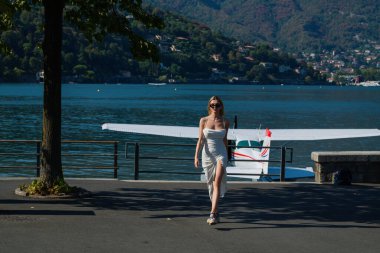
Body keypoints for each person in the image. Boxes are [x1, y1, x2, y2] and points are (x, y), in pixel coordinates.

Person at [194, 95, 229, 225]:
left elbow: (225, 140)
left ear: (221, 106)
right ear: (209, 106)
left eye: (217, 105)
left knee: (216, 183)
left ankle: (212, 214)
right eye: (212, 105)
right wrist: (196, 156)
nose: (215, 107)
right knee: (210, 184)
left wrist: (228, 156)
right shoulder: (203, 120)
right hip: (207, 155)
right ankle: (216, 211)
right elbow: (201, 140)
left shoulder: (225, 122)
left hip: (221, 154)